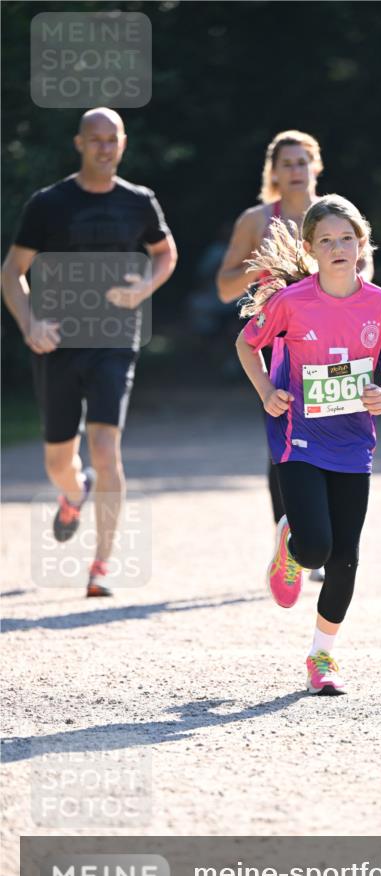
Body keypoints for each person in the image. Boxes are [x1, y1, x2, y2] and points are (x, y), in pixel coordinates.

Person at [235, 194, 381, 695]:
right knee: (315, 548)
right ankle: (291, 542)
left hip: (354, 442)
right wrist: (268, 391)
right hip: (300, 436)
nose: (339, 247)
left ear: (362, 244)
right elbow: (246, 345)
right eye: (327, 240)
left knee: (345, 558)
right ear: (312, 250)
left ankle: (322, 657)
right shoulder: (292, 303)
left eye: (347, 238)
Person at [1, 107, 177, 597]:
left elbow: (165, 253)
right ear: (79, 143)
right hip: (57, 342)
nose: (104, 147)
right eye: (94, 139)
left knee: (105, 447)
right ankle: (71, 492)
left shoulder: (139, 202)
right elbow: (12, 272)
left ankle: (101, 565)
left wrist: (143, 287)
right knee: (59, 460)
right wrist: (30, 321)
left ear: (123, 143)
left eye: (112, 139)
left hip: (114, 340)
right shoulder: (48, 203)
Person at [217, 130, 373, 582]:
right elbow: (224, 284)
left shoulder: (336, 214)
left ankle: (315, 536)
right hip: (284, 334)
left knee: (336, 431)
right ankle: (291, 535)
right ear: (274, 171)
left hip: (338, 339)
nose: (295, 171)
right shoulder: (255, 220)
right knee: (285, 438)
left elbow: (366, 269)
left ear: (316, 166)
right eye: (286, 163)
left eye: (303, 161)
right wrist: (268, 272)